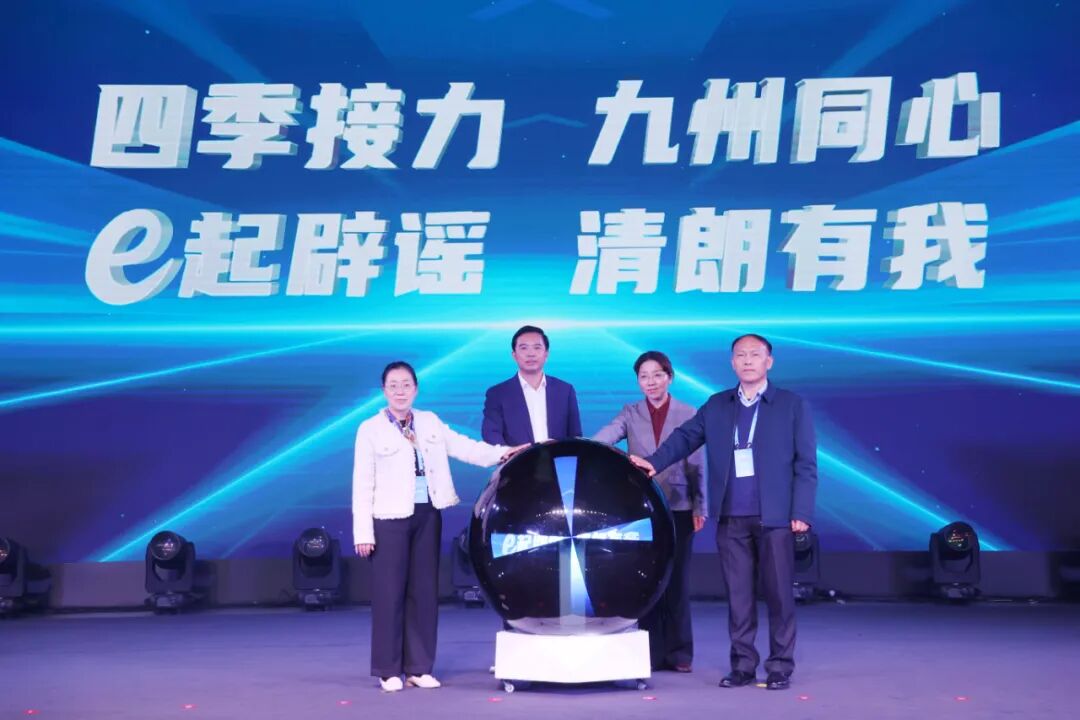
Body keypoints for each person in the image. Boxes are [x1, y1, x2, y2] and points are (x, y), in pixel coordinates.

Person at [631, 335, 817, 691]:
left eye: (755, 355)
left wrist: (802, 511)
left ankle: (780, 665)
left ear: (769, 362)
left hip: (776, 517)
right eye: (740, 355)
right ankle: (743, 665)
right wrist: (653, 462)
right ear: (732, 363)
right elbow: (685, 437)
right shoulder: (718, 405)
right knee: (738, 597)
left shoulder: (792, 405)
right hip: (732, 516)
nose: (747, 361)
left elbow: (806, 464)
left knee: (779, 595)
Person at [353, 361, 524, 692]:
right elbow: (362, 482)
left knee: (423, 592)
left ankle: (419, 668)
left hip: (428, 514)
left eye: (406, 385)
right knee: (389, 594)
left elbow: (464, 447)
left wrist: (504, 453)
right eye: (393, 385)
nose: (400, 391)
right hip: (388, 519)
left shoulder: (429, 421)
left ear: (416, 389)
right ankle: (389, 670)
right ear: (384, 390)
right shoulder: (370, 429)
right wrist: (363, 532)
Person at [592, 350, 707, 673]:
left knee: (677, 581)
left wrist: (700, 505)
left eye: (657, 375)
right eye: (644, 376)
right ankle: (651, 652)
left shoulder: (688, 412)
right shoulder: (630, 412)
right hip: (642, 508)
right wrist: (585, 447)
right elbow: (605, 437)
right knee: (646, 581)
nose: (651, 382)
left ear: (669, 377)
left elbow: (698, 465)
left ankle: (680, 652)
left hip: (680, 506)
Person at [481, 325, 582, 446]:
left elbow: (575, 437)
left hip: (557, 457)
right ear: (514, 355)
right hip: (517, 458)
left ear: (546, 354)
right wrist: (511, 454)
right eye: (524, 348)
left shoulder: (565, 390)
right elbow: (491, 435)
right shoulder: (497, 394)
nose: (531, 354)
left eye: (537, 347)